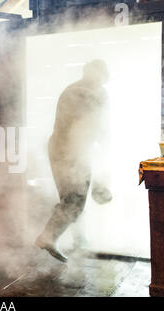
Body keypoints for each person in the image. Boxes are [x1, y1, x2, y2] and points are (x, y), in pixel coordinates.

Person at [36, 59, 113, 263]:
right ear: (94, 74)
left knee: (75, 196)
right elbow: (94, 127)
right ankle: (48, 237)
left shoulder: (79, 90)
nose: (103, 82)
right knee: (74, 199)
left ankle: (80, 239)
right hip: (68, 151)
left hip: (68, 149)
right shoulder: (84, 93)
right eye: (102, 78)